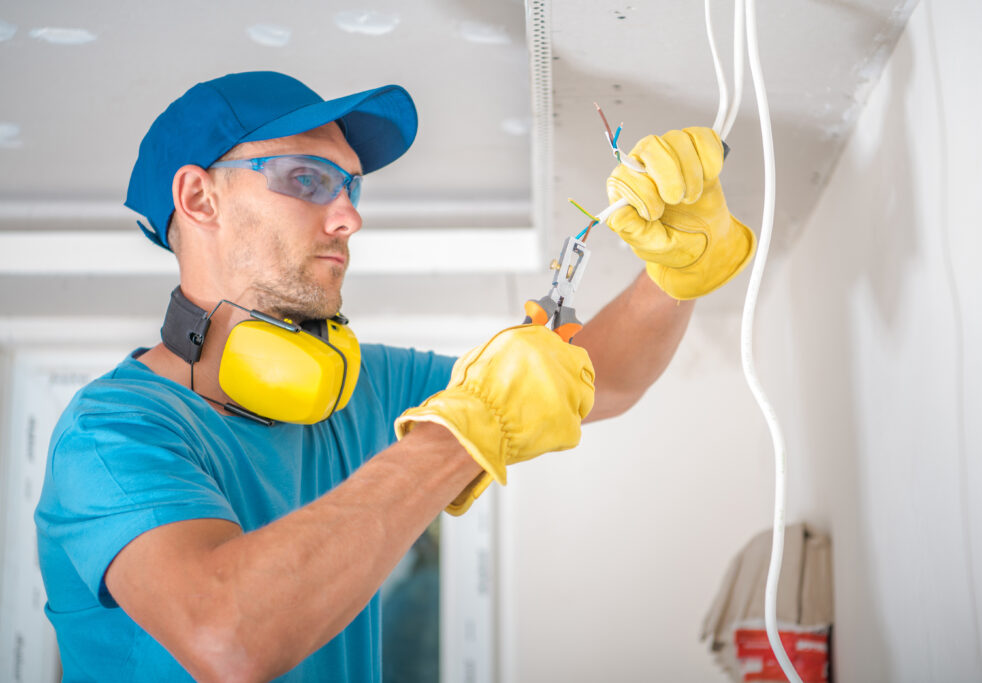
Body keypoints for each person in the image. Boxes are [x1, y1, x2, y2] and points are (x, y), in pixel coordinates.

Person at [34, 71, 754, 682]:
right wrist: (461, 432)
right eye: (308, 179)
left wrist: (677, 273)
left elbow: (605, 381)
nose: (348, 215)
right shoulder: (112, 432)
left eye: (350, 187)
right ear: (198, 199)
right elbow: (228, 636)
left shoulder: (362, 388)